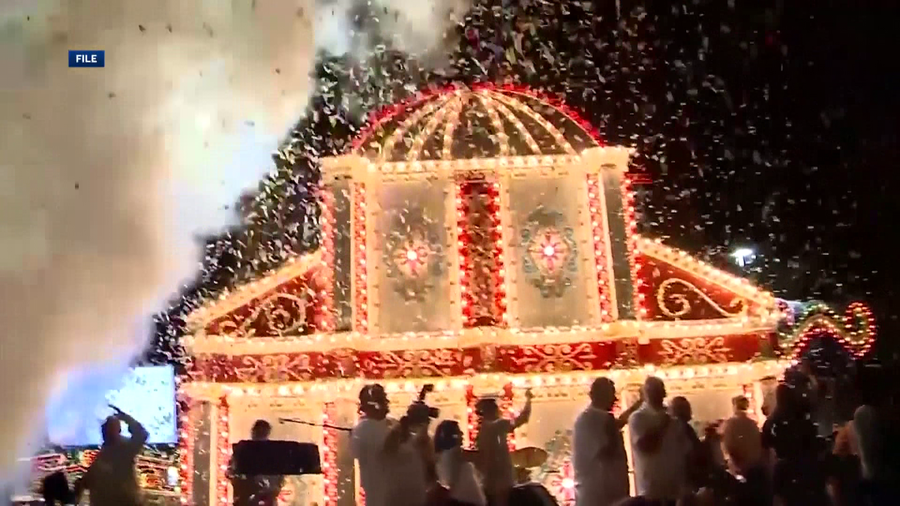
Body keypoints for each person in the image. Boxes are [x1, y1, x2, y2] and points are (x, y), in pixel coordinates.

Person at [351, 384, 428, 506]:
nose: (386, 402)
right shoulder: (363, 429)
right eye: (381, 399)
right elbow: (388, 448)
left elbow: (411, 443)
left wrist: (422, 425)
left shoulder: (391, 423)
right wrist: (406, 422)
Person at [573, 378, 641, 506]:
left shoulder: (586, 418)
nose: (615, 400)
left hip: (592, 492)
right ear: (601, 395)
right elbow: (609, 445)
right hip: (604, 491)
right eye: (612, 394)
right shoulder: (598, 418)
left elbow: (618, 423)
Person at [761, 383, 827, 506]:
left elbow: (765, 445)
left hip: (785, 470)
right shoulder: (803, 419)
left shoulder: (772, 423)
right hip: (808, 468)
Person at [628, 377, 690, 505]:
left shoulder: (673, 418)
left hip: (674, 488)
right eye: (653, 392)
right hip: (651, 490)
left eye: (659, 392)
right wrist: (662, 425)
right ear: (645, 394)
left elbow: (685, 449)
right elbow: (645, 446)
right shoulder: (638, 418)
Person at [74, 405, 149, 506]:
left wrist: (126, 418)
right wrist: (82, 483)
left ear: (117, 430)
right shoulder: (105, 452)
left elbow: (142, 435)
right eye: (104, 429)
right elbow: (93, 477)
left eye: (108, 428)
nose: (104, 432)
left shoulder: (125, 448)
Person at [475, 389, 533, 506]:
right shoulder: (498, 425)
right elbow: (522, 419)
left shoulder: (482, 430)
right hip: (501, 475)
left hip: (488, 477)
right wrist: (529, 401)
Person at [228, 419, 284, 506]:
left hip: (262, 498)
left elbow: (280, 478)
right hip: (247, 498)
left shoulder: (273, 453)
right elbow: (230, 472)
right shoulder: (242, 451)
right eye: (259, 432)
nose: (260, 436)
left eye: (262, 432)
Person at [434, 420, 486, 506]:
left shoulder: (441, 454)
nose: (462, 434)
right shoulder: (455, 452)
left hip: (458, 498)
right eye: (458, 432)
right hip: (463, 500)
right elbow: (481, 456)